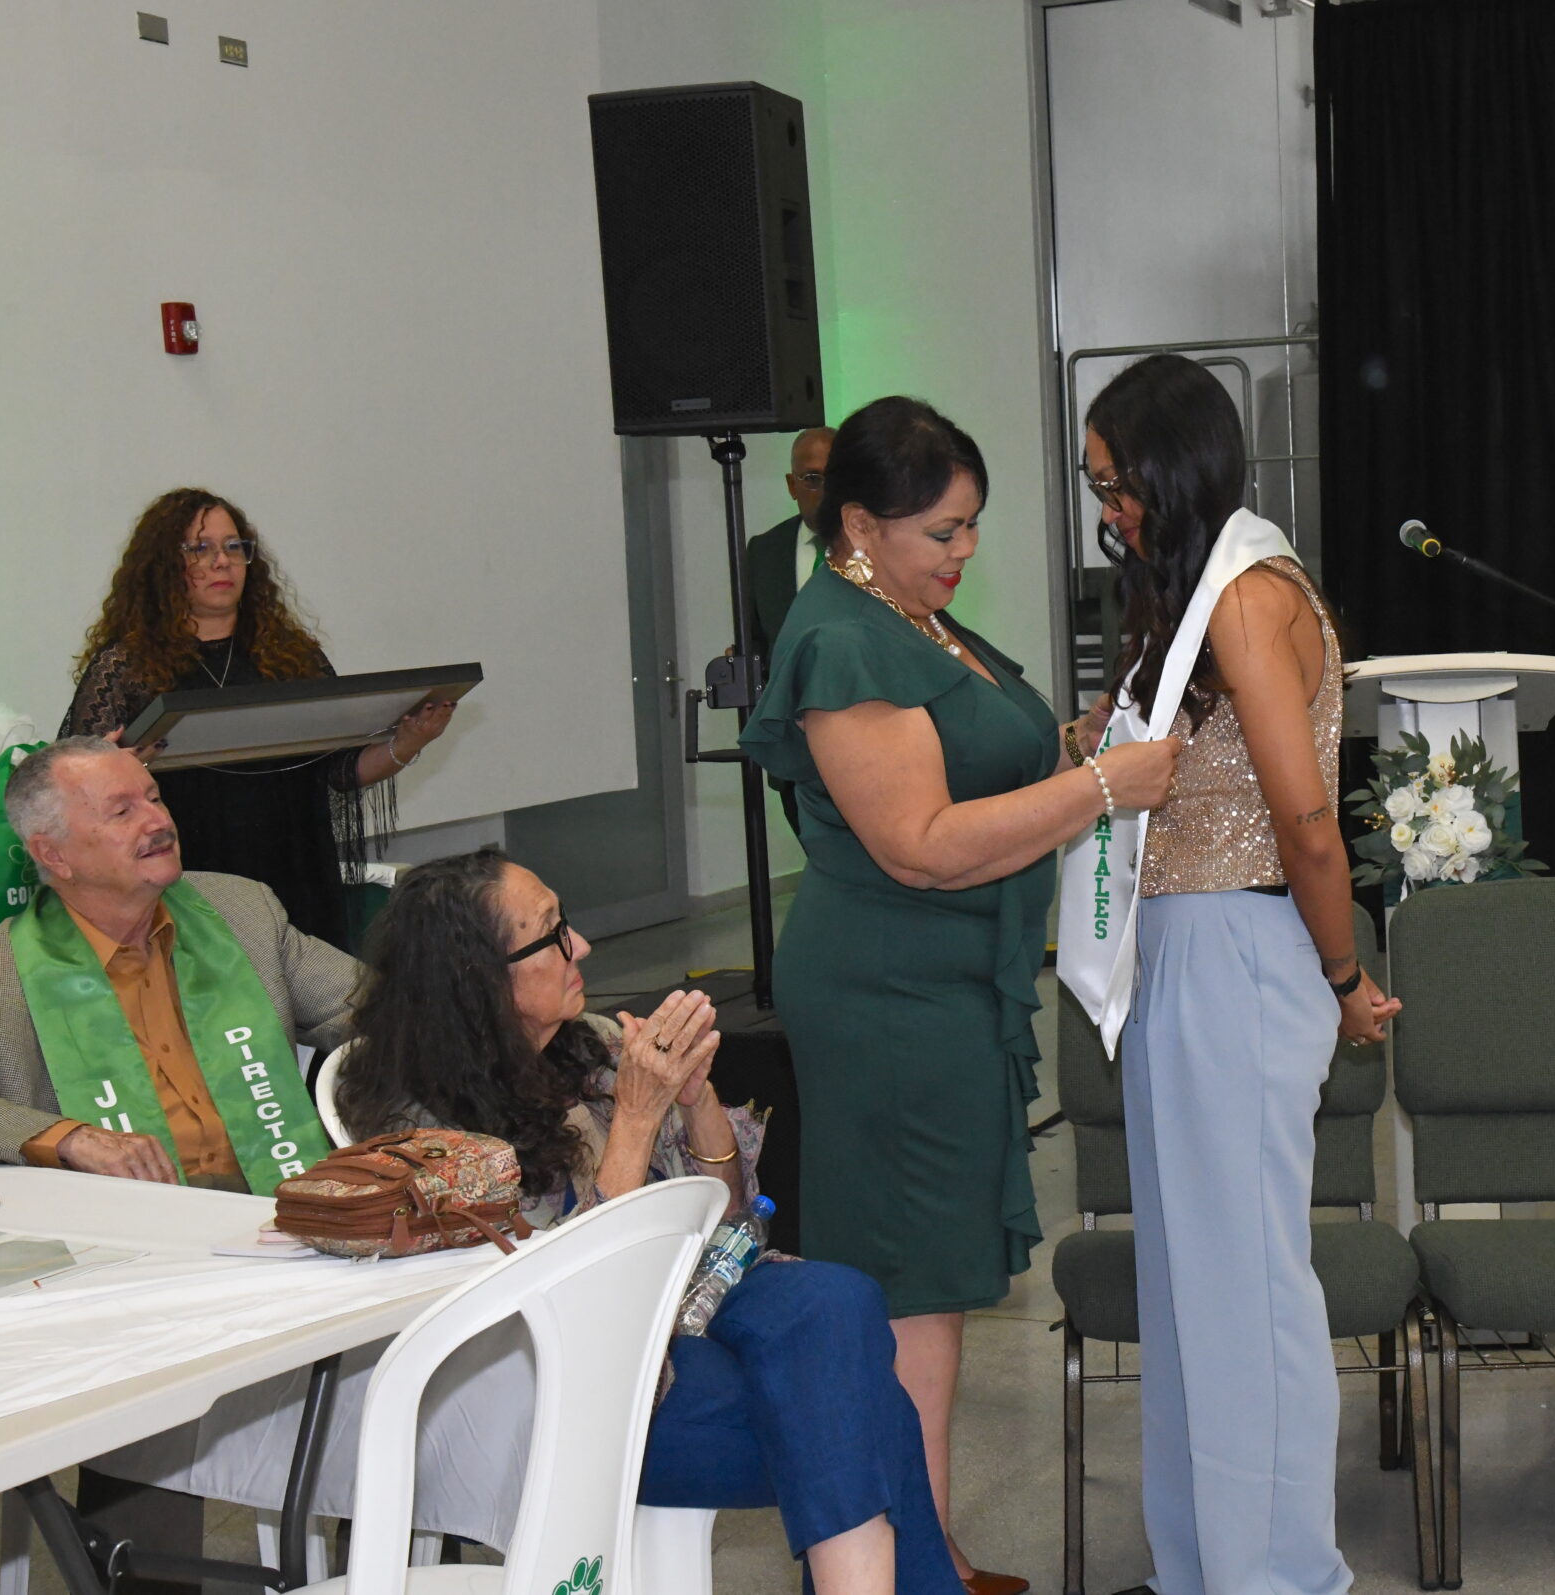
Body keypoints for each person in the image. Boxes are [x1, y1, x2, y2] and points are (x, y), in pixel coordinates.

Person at [739, 396, 1184, 1595]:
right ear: (860, 525)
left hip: (944, 981)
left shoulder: (908, 613)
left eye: (972, 525)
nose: (965, 551)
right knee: (904, 1282)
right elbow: (923, 845)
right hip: (889, 989)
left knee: (923, 1284)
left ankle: (919, 1547)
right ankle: (904, 1560)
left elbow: (986, 766)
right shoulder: (843, 639)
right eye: (942, 531)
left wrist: (1079, 743)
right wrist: (1103, 786)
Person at [333, 851, 952, 1595]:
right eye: (552, 934)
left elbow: (731, 1224)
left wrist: (695, 1099)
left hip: (688, 1303)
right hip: (567, 1372)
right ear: (481, 978)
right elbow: (577, 1295)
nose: (582, 945)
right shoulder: (426, 1132)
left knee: (839, 1300)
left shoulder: (590, 1045)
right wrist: (633, 1117)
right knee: (865, 1410)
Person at [1079, 354, 1398, 1595]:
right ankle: (1200, 1570)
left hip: (1242, 949)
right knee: (1186, 1290)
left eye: (1118, 485)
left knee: (1247, 1295)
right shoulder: (1198, 595)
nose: (1110, 511)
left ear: (1174, 470)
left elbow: (1306, 825)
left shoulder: (1251, 596)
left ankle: (1280, 1577)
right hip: (1184, 950)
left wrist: (1342, 973)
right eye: (1098, 487)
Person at [0, 734, 355, 1188]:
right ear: (53, 855)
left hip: (289, 1195)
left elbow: (379, 1012)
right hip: (125, 1230)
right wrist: (69, 1139)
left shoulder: (239, 911)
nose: (158, 822)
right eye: (122, 812)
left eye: (155, 798)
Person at [62, 488, 458, 949]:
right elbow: (74, 788)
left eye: (234, 547)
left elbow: (339, 771)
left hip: (296, 869)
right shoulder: (126, 667)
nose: (222, 562)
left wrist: (411, 740)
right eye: (200, 548)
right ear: (163, 565)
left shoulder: (292, 656)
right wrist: (122, 769)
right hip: (189, 878)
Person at [745, 427, 836, 835]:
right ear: (791, 485)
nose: (827, 490)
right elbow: (756, 642)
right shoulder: (765, 551)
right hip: (794, 754)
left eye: (838, 476)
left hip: (870, 746)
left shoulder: (882, 547)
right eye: (812, 478)